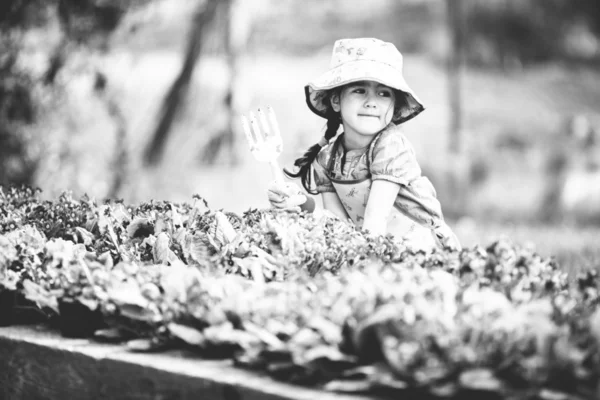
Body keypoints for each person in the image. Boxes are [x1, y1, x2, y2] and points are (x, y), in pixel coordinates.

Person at [268, 38, 460, 251]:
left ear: (394, 105)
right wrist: (300, 203)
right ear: (336, 100)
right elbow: (337, 226)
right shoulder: (326, 159)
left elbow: (376, 219)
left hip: (420, 246)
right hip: (373, 246)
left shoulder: (390, 147)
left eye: (384, 93)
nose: (372, 102)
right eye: (359, 90)